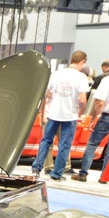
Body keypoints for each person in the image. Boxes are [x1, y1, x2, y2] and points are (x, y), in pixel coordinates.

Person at [31, 50, 89, 181]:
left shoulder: (57, 74)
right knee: (64, 145)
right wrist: (80, 113)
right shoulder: (81, 77)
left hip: (53, 113)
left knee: (46, 141)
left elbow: (46, 93)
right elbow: (82, 99)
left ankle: (36, 167)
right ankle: (56, 174)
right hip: (70, 116)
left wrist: (46, 109)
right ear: (82, 61)